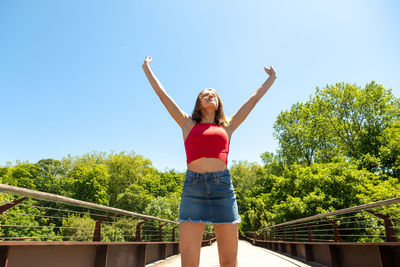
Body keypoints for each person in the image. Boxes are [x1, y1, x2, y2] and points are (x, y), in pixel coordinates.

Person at [142, 56, 276, 267]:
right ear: (199, 103)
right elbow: (163, 95)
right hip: (193, 189)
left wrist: (271, 79)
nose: (210, 95)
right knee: (189, 261)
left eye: (213, 94)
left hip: (222, 189)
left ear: (218, 102)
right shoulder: (187, 123)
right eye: (205, 94)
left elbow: (253, 100)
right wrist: (146, 69)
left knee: (229, 261)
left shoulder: (228, 125)